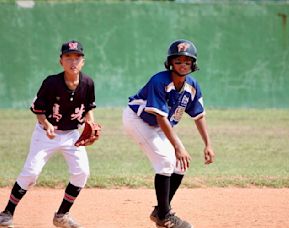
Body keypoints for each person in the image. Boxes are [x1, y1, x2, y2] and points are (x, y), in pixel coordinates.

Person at [0, 40, 98, 228]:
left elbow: (88, 108)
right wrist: (46, 124)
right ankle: (7, 213)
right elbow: (38, 108)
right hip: (46, 134)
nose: (73, 61)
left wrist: (91, 124)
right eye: (68, 57)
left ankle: (62, 215)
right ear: (61, 61)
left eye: (77, 57)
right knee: (31, 173)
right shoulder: (51, 82)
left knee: (81, 173)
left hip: (72, 135)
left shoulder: (88, 83)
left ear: (83, 61)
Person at [122, 39, 215, 228]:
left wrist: (208, 144)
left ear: (193, 65)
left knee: (180, 165)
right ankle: (165, 215)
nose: (183, 65)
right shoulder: (160, 81)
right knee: (165, 161)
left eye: (187, 62)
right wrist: (178, 146)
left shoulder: (192, 86)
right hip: (137, 120)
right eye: (178, 61)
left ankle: (161, 211)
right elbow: (161, 118)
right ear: (170, 63)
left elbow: (199, 116)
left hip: (159, 125)